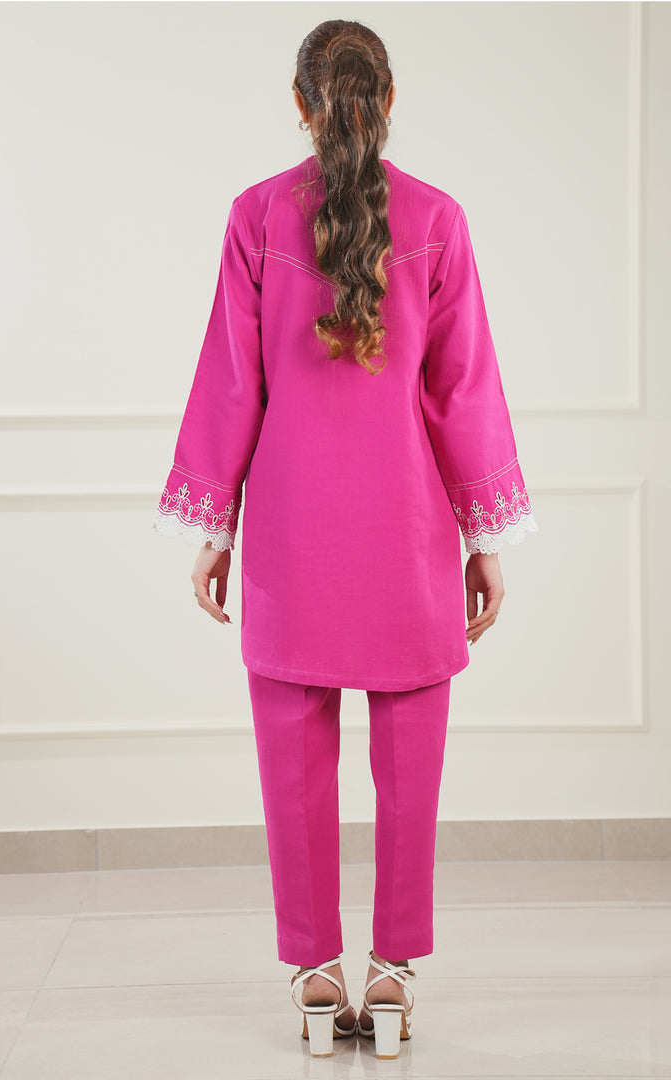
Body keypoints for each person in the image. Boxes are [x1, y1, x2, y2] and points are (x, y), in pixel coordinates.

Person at [153, 18, 539, 1060]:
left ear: (300, 104)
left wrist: (213, 527)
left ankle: (318, 980)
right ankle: (396, 978)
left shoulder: (257, 216)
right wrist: (484, 538)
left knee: (293, 753)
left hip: (291, 530)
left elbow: (232, 382)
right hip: (409, 532)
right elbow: (462, 391)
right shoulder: (438, 220)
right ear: (389, 99)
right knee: (412, 757)